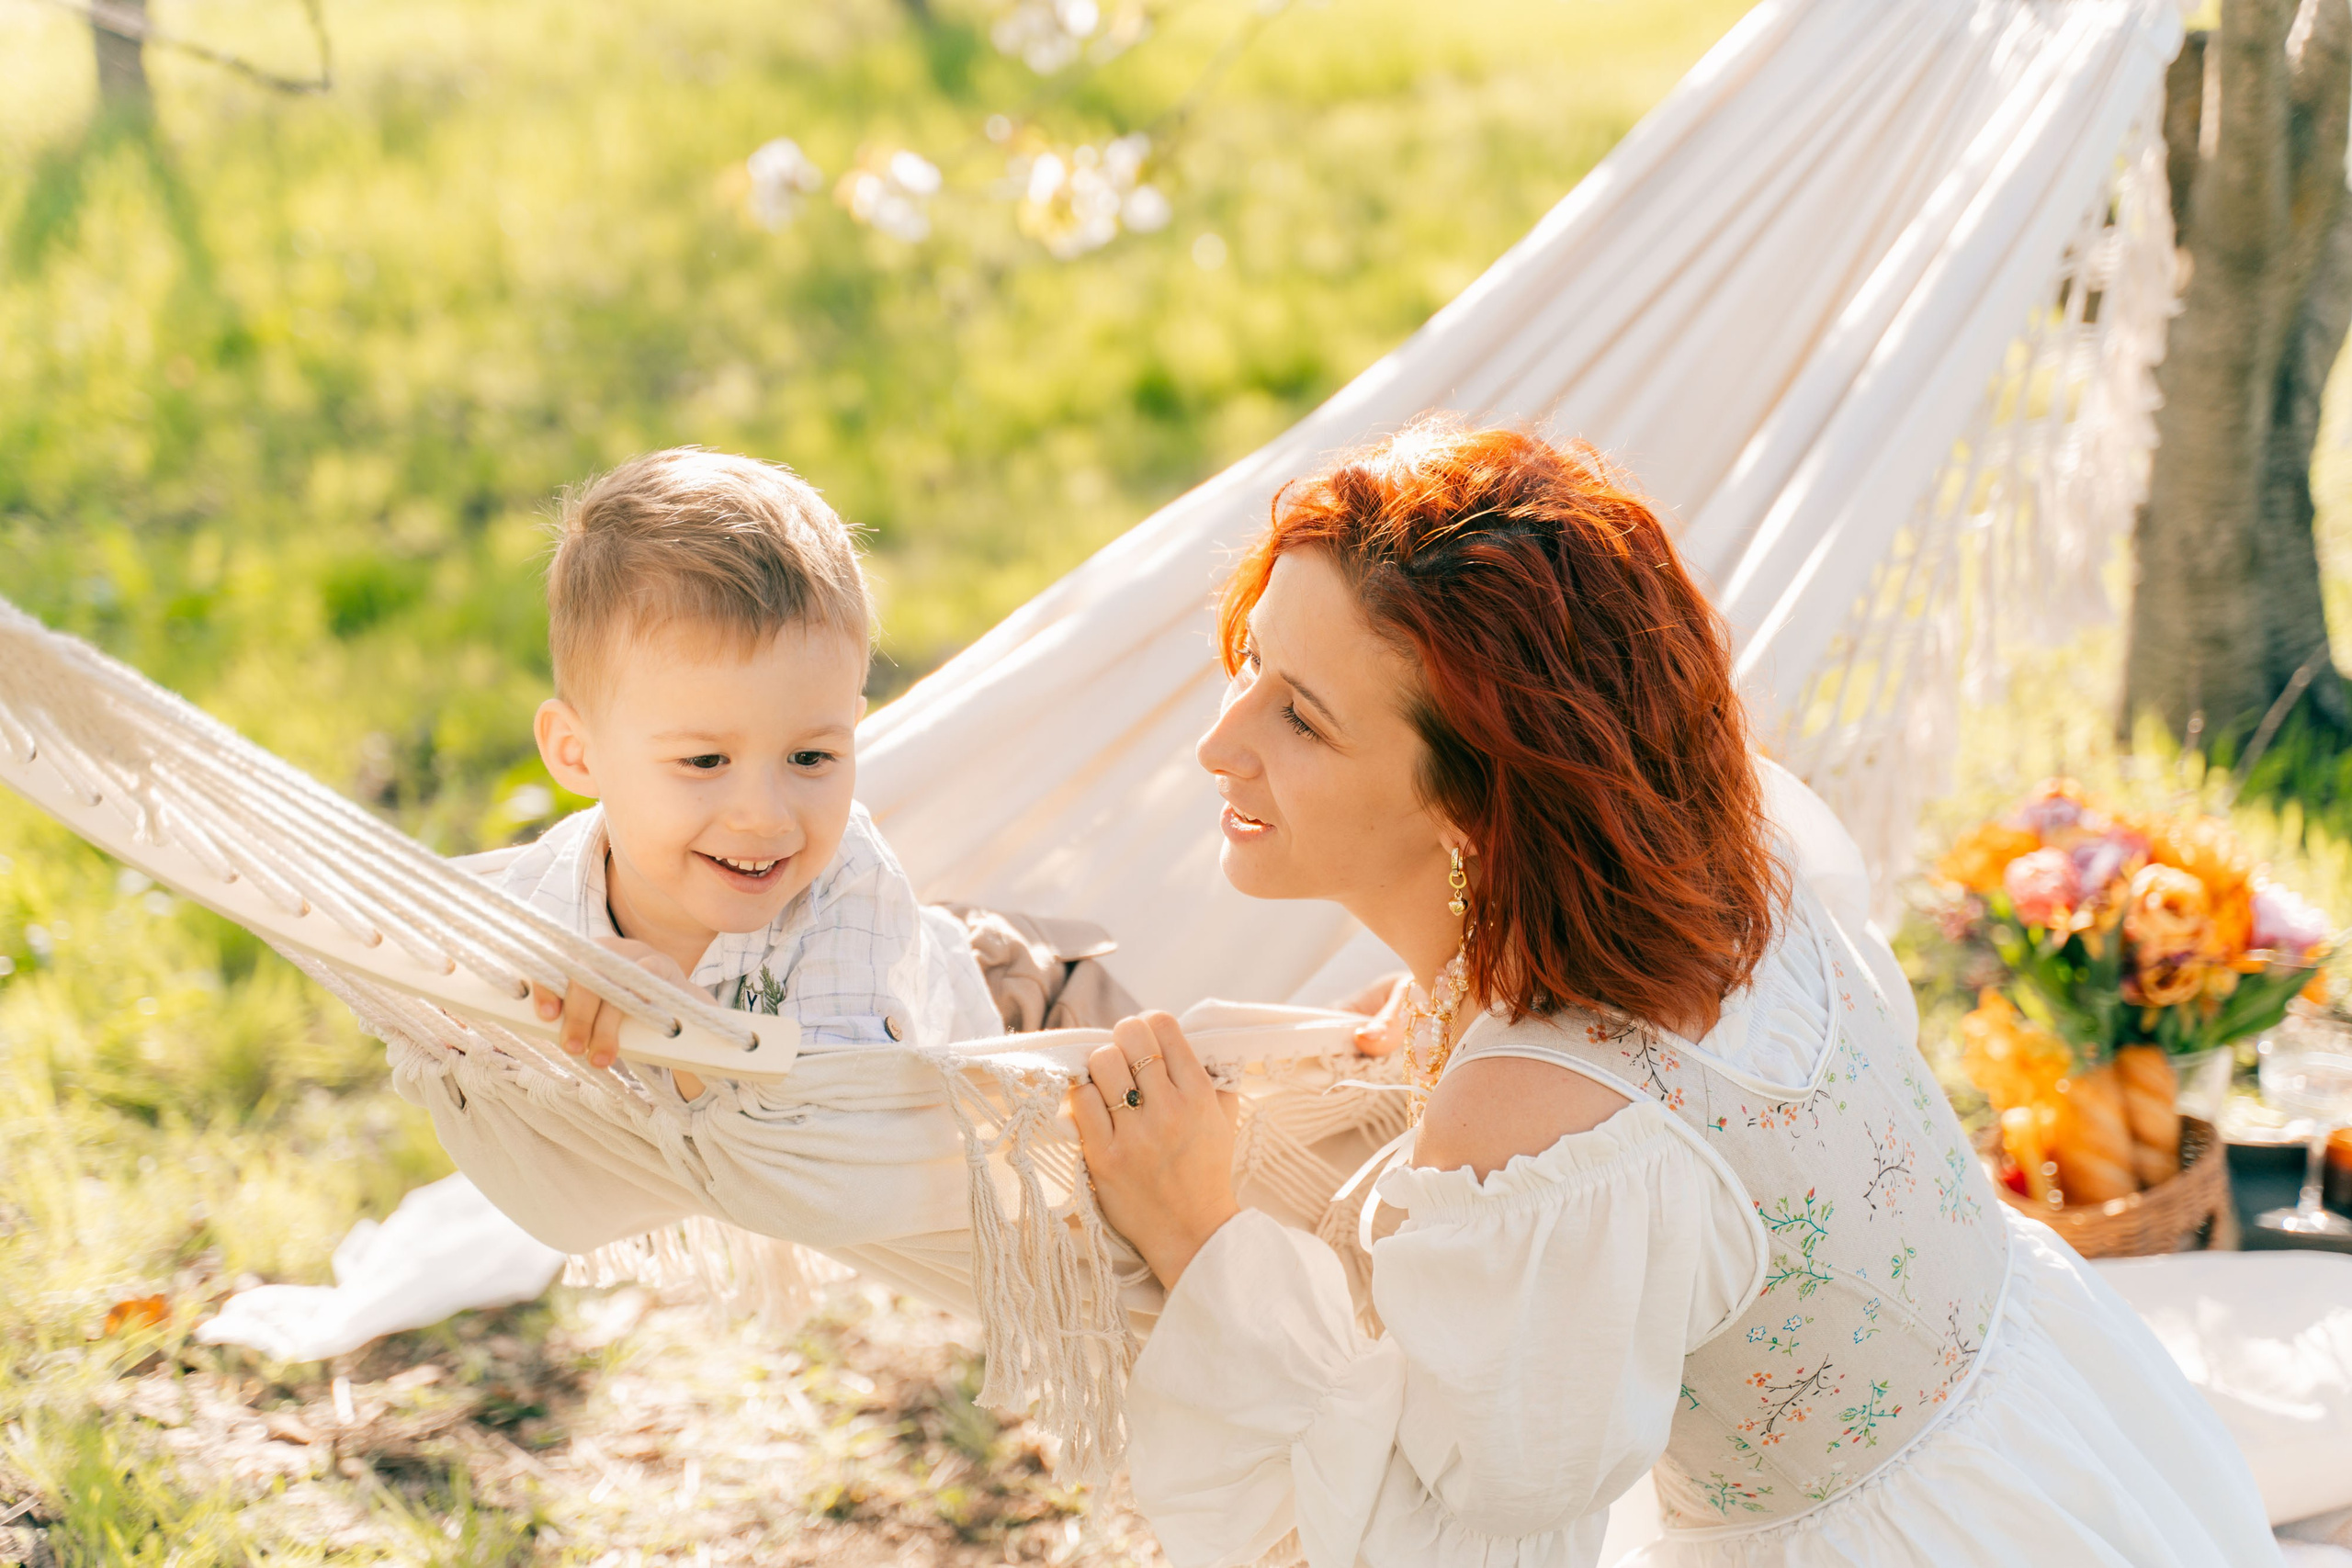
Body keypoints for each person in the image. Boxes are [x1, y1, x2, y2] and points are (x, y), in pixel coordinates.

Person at [1068, 422, 2279, 1567]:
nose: (1219, 743)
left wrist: (1199, 1232)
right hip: (2055, 1441)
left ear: (1477, 802)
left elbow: (1454, 1540)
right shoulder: (1726, 840)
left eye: (1300, 716)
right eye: (1251, 662)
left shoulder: (1541, 1115)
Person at [400, 447, 1001, 1257]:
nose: (764, 816)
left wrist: (689, 1038)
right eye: (704, 762)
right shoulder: (540, 910)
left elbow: (845, 1163)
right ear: (577, 755)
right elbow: (502, 1087)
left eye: (812, 757)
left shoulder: (847, 883)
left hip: (1013, 1004)